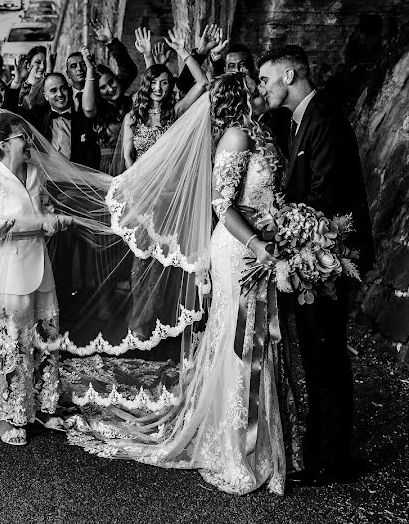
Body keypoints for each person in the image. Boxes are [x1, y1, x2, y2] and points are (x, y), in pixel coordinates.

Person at [66, 74, 299, 496]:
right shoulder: (234, 137)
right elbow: (222, 204)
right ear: (243, 97)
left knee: (259, 337)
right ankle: (235, 444)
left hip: (260, 240)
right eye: (257, 85)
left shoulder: (260, 132)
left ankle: (262, 440)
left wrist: (281, 224)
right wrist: (259, 244)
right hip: (240, 246)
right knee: (242, 336)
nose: (264, 90)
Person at [257, 45, 374, 486]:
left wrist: (276, 225)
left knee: (325, 356)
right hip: (313, 255)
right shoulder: (298, 119)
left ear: (289, 75)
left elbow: (326, 198)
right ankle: (325, 451)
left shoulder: (323, 119)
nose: (262, 87)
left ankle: (335, 462)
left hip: (327, 258)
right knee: (316, 354)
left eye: (267, 79)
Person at [0, 115, 73, 445]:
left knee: (45, 336)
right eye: (21, 136)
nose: (28, 141)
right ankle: (3, 414)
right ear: (3, 144)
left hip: (39, 263)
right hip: (9, 269)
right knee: (9, 342)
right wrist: (6, 226)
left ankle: (42, 406)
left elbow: (43, 214)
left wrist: (53, 222)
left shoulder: (35, 175)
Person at [122, 27, 209, 169]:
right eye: (154, 82)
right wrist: (134, 182)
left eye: (164, 83)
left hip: (170, 180)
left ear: (169, 87)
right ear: (147, 85)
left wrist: (182, 52)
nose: (157, 88)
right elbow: (128, 155)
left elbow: (203, 83)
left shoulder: (175, 111)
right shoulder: (133, 117)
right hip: (140, 180)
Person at [25, 66, 100, 170]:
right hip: (47, 176)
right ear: (46, 96)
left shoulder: (83, 118)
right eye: (53, 90)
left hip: (77, 178)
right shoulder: (38, 118)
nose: (60, 94)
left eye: (63, 88)